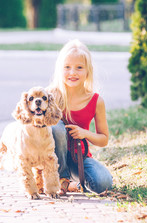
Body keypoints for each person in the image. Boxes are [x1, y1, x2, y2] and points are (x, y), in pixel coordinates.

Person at [48, 39, 113, 195]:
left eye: (79, 68)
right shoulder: (50, 95)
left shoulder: (96, 101)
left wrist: (85, 133)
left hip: (79, 158)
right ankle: (62, 180)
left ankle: (71, 181)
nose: (72, 73)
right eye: (67, 67)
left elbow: (104, 139)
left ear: (87, 71)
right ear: (60, 70)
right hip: (53, 159)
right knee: (56, 127)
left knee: (104, 183)